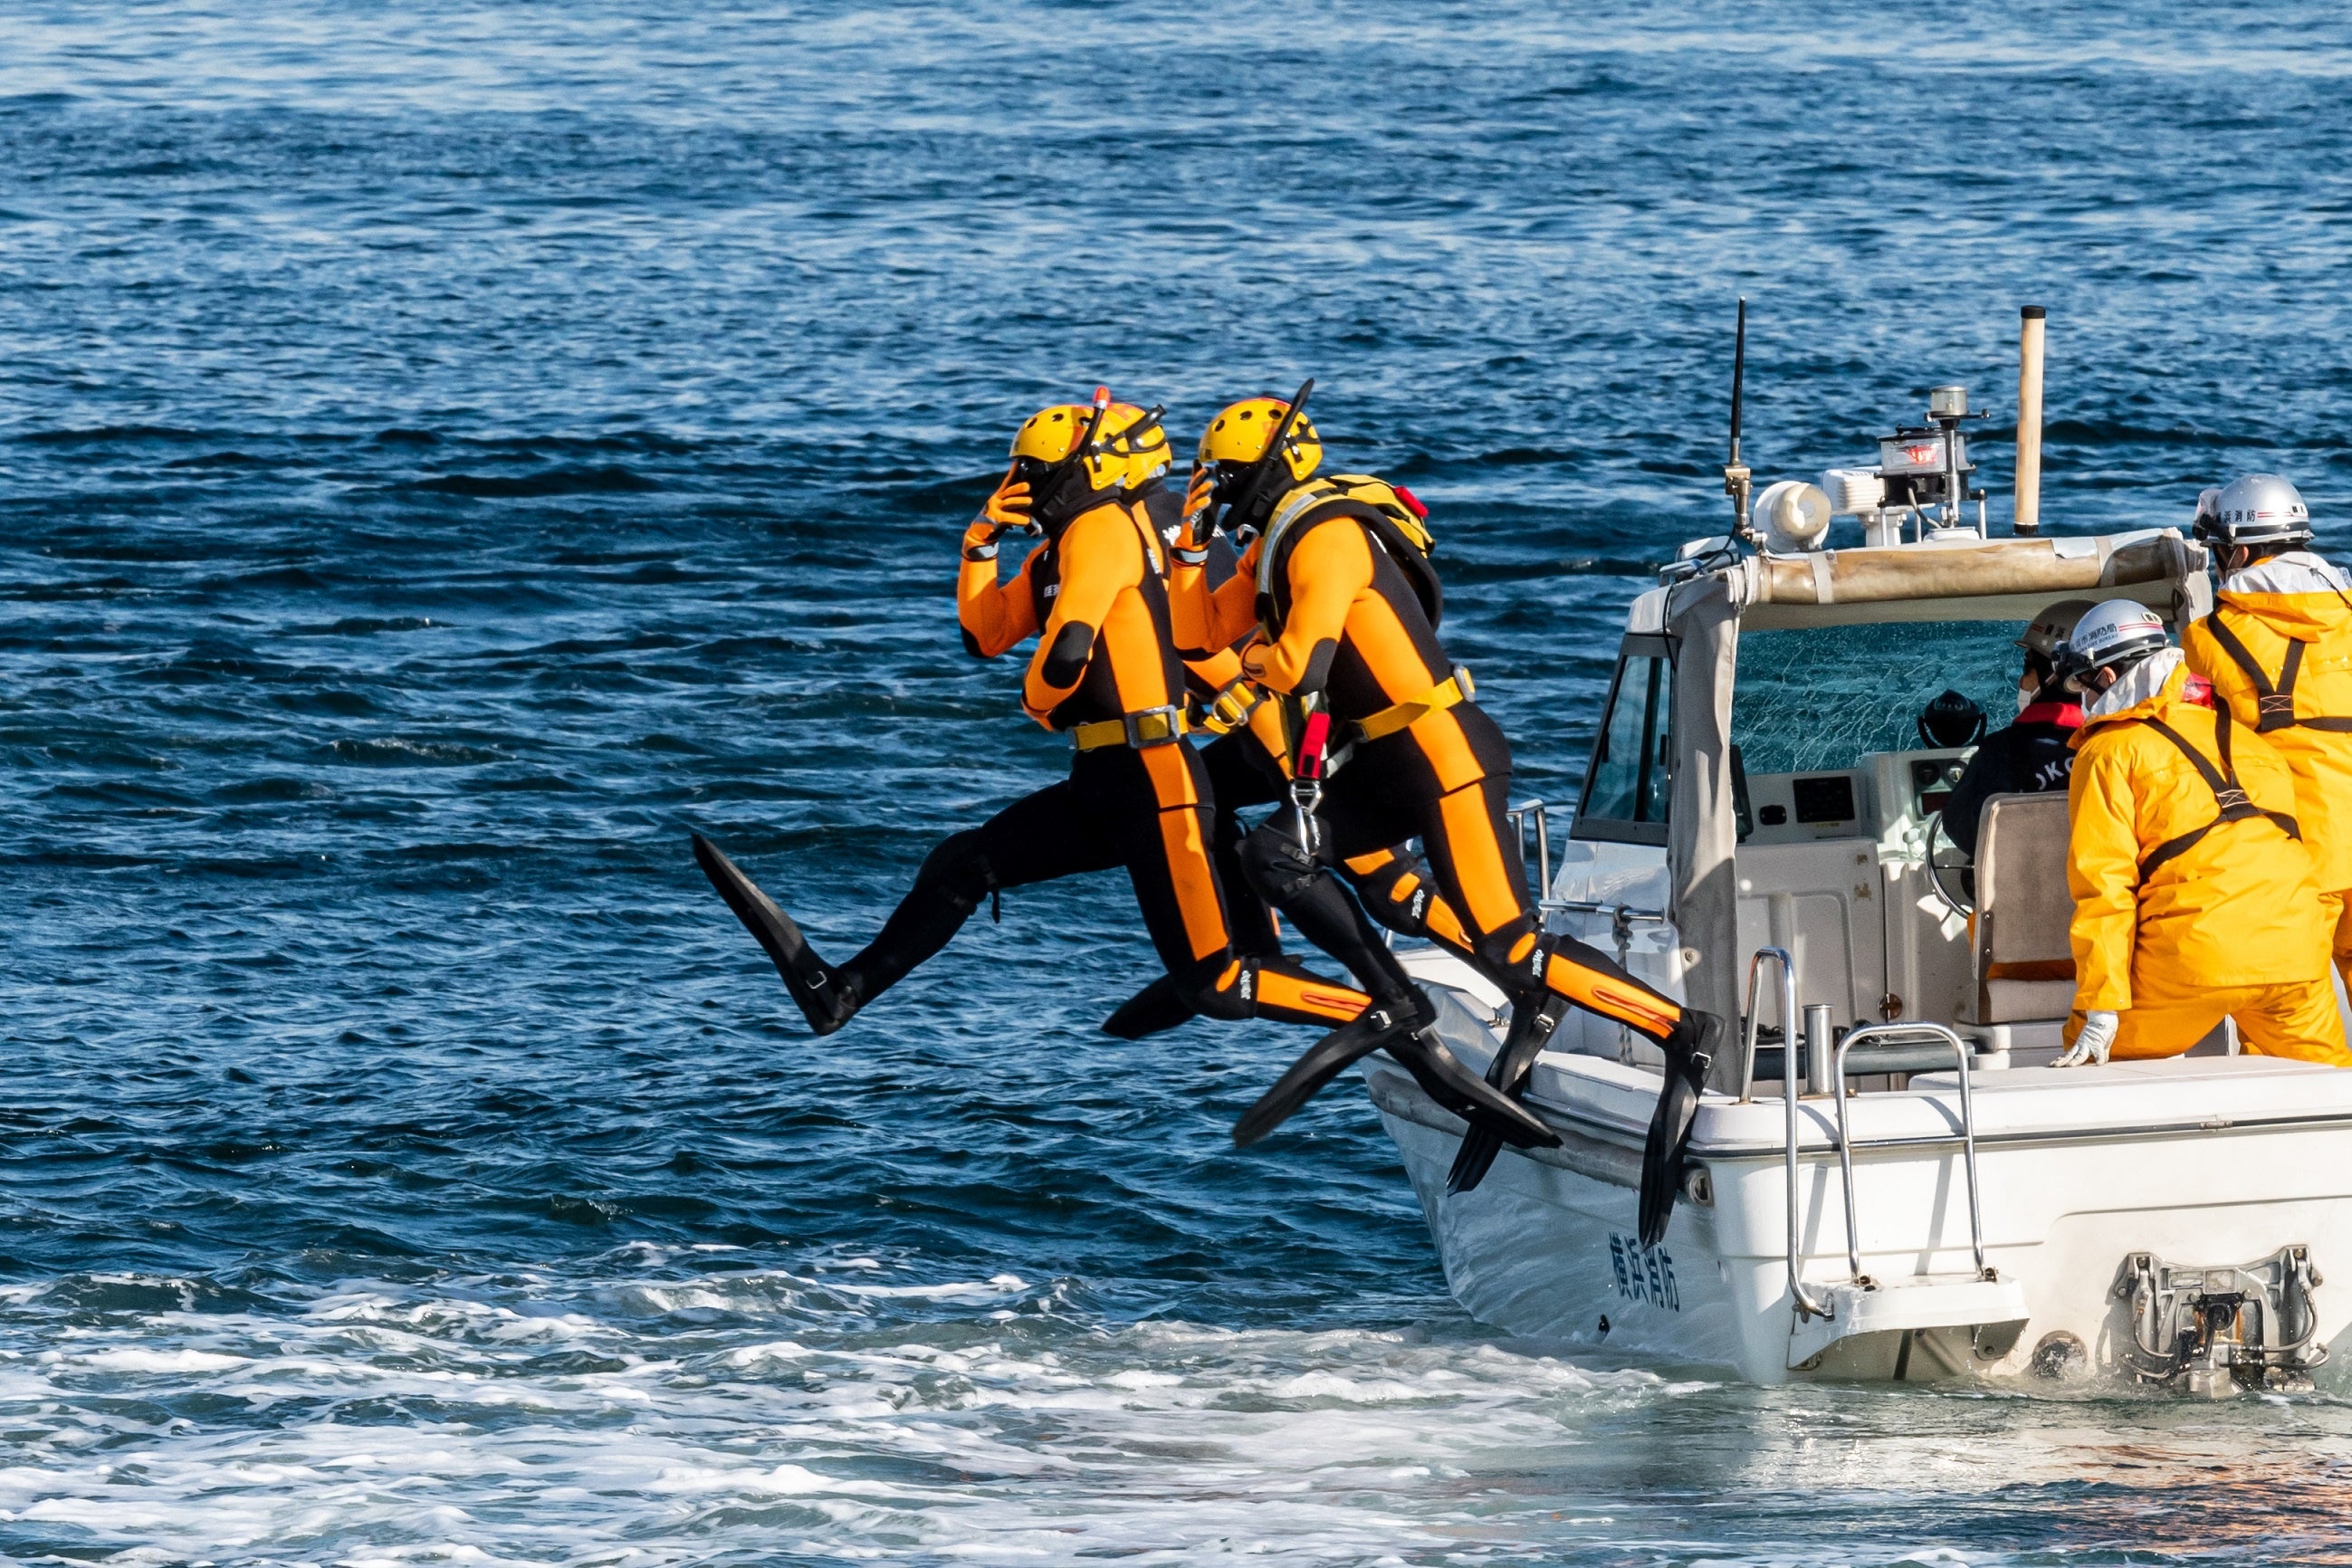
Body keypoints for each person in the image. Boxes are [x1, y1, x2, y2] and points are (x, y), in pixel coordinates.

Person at [693, 393, 1554, 1146]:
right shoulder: (1067, 543)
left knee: (1225, 977)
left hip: (1157, 778)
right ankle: (839, 992)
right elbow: (982, 632)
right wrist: (980, 537)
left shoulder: (1105, 532)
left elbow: (1069, 656)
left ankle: (1399, 1018)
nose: (1023, 487)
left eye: (1030, 474)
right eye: (1016, 475)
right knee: (967, 864)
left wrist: (1048, 699)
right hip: (1106, 782)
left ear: (1075, 472)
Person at [1171, 387, 1722, 1237]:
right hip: (1385, 765)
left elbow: (1294, 666)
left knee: (1510, 935)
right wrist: (1185, 547)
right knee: (1278, 856)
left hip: (1439, 757)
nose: (1216, 492)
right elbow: (1195, 631)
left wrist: (1242, 652)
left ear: (1263, 474)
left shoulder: (1325, 536)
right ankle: (1413, 1002)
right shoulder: (1269, 547)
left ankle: (1681, 1029)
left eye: (1223, 481)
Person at [2051, 598, 2349, 1068]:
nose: (2083, 703)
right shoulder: (2249, 742)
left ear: (2106, 679)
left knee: (2087, 1052)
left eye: (2082, 689)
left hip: (2195, 959)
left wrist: (2102, 1005)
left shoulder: (2107, 751)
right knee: (2329, 1081)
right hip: (2296, 953)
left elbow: (2104, 887)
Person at [2183, 473, 2352, 995]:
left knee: (2283, 1014)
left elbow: (2187, 742)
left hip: (2296, 850)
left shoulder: (2207, 637)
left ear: (2241, 553)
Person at [1939, 599, 2094, 860]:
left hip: (2026, 897)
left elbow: (1965, 833)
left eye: (2027, 668)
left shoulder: (2000, 751)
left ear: (2057, 674)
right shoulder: (2131, 747)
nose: (2022, 681)